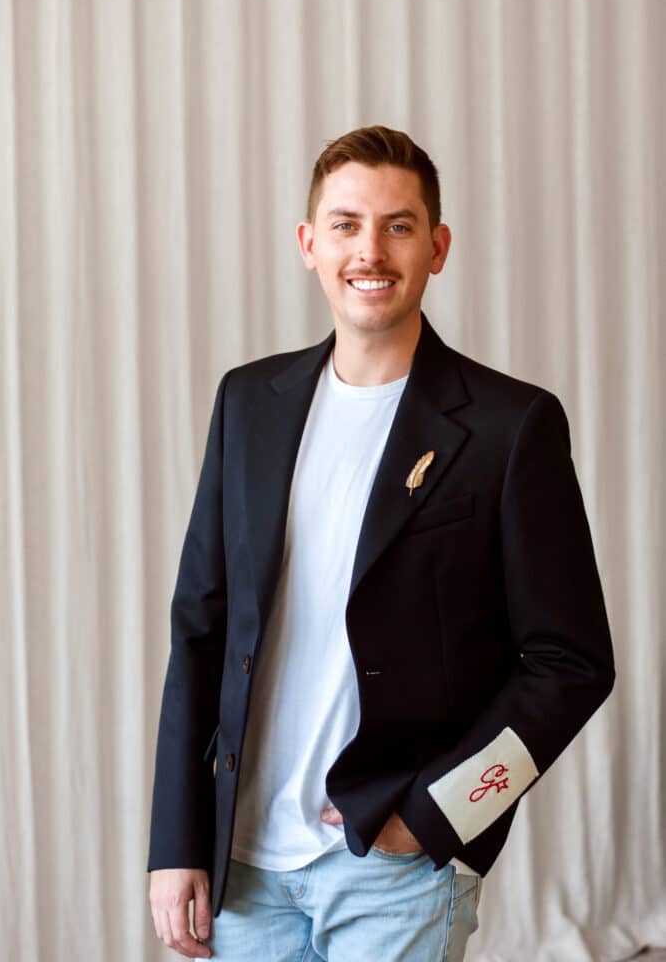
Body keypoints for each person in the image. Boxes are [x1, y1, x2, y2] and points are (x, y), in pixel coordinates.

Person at [148, 125, 615, 960]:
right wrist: (177, 841)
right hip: (243, 862)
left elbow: (570, 662)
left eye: (398, 226)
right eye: (346, 224)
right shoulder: (248, 402)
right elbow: (201, 629)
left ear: (437, 247)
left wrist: (439, 818)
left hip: (395, 868)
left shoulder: (511, 426)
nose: (371, 249)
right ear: (308, 244)